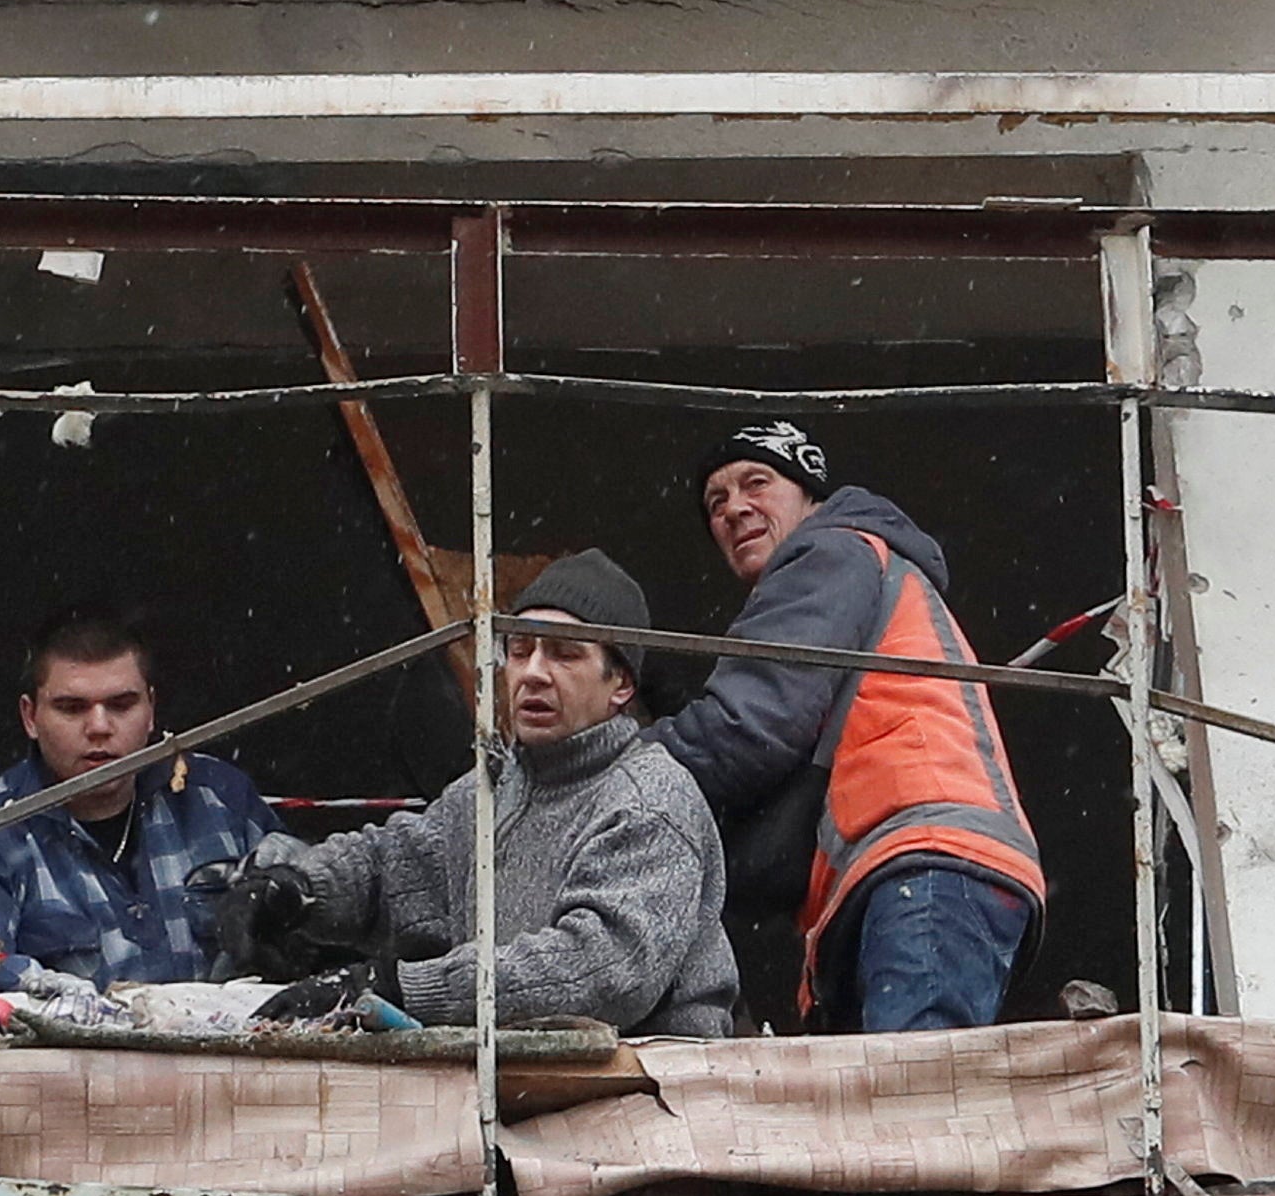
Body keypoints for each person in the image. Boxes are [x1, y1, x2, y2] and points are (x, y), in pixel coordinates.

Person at [226, 554, 737, 1039]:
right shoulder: (492, 789)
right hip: (524, 1089)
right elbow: (394, 869)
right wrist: (296, 890)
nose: (534, 672)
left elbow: (603, 971)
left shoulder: (650, 799)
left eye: (563, 653)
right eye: (519, 650)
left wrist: (396, 987)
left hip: (652, 1097)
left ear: (621, 684)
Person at [652, 416, 1047, 1032]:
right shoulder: (860, 568)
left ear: (809, 493)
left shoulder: (830, 550)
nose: (733, 508)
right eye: (715, 501)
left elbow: (748, 727)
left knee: (908, 1107)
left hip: (921, 862)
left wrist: (610, 779)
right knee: (897, 1110)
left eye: (756, 482)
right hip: (916, 875)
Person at [0, 607, 269, 983]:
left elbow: (313, 928)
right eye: (72, 708)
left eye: (122, 705)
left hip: (234, 1040)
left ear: (151, 709)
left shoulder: (221, 796)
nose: (100, 727)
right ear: (30, 717)